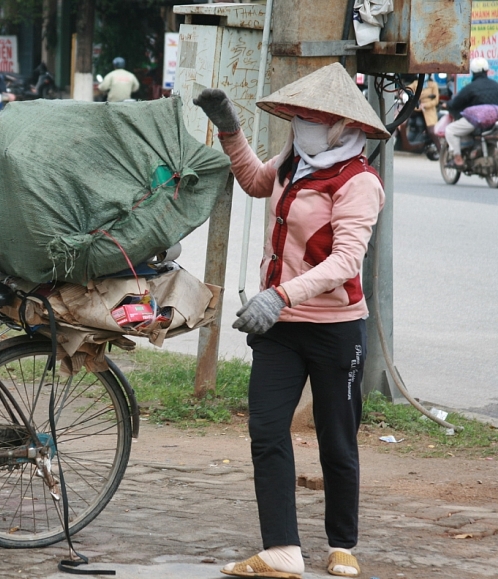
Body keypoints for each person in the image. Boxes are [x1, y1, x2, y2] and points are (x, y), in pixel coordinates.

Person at [193, 62, 389, 579]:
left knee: (336, 440)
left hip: (335, 328)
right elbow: (255, 181)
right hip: (278, 328)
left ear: (344, 125)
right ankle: (281, 549)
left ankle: (342, 543)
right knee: (266, 431)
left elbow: (345, 262)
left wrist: (279, 295)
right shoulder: (293, 160)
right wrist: (229, 129)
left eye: (314, 117)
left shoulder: (359, 181)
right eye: (299, 114)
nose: (303, 123)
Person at [445, 57, 498, 166]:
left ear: (473, 72)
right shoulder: (495, 85)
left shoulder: (470, 88)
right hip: (494, 122)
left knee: (450, 130)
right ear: (487, 71)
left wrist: (447, 104)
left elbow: (456, 103)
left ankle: (458, 158)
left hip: (477, 122)